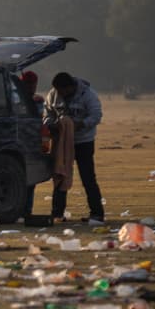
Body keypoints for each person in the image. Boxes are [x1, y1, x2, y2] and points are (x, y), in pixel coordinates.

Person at [43, 71, 104, 224]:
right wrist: (53, 124)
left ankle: (97, 214)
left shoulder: (87, 94)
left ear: (71, 86)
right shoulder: (53, 94)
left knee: (88, 178)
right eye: (59, 91)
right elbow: (47, 114)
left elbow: (96, 115)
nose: (61, 94)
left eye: (64, 91)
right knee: (60, 175)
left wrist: (80, 125)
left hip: (83, 141)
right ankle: (57, 213)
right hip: (62, 142)